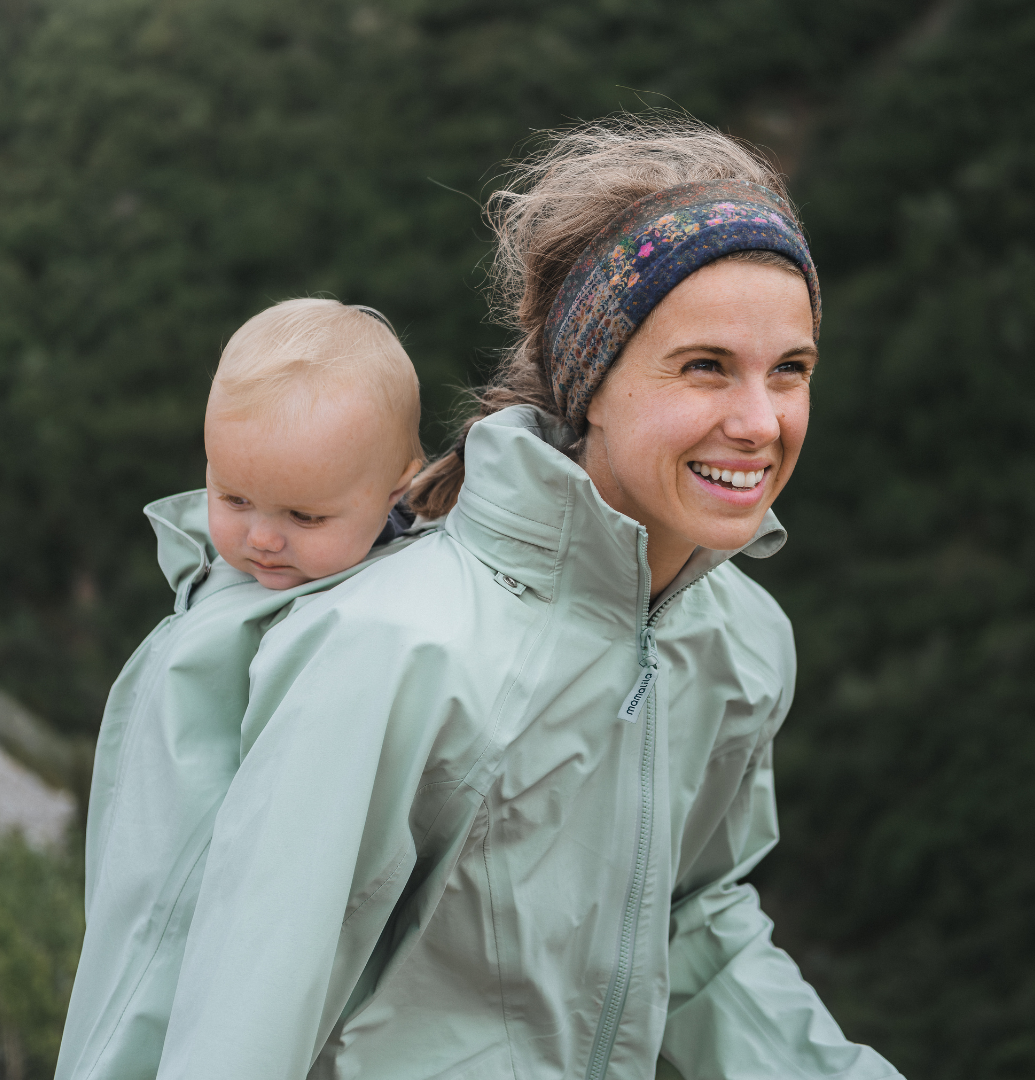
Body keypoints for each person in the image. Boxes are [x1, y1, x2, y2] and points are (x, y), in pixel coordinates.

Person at [154, 117, 905, 1080]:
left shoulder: (744, 644)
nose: (760, 421)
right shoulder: (393, 648)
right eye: (705, 365)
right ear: (591, 378)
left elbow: (693, 922)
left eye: (789, 370)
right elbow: (245, 1021)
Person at [56, 299, 429, 1080]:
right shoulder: (228, 585)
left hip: (190, 983)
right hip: (132, 935)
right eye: (232, 498)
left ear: (402, 488)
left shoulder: (342, 640)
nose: (261, 537)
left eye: (304, 513)